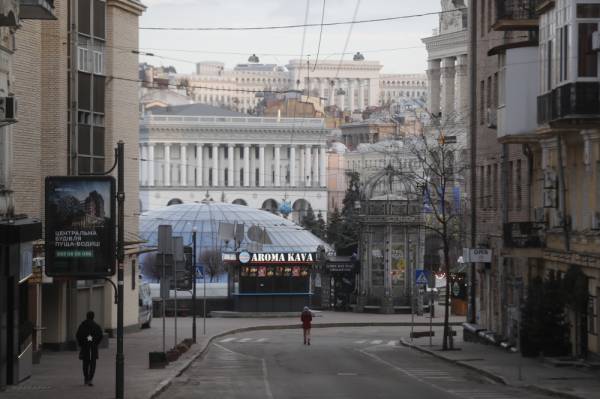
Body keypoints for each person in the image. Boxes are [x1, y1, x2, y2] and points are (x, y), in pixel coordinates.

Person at [76, 311, 103, 386]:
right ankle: (90, 378)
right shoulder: (96, 326)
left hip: (85, 347)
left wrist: (82, 344)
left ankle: (86, 378)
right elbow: (100, 336)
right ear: (93, 317)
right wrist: (95, 343)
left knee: (85, 363)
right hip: (93, 347)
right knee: (92, 364)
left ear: (87, 316)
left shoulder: (82, 325)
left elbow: (78, 335)